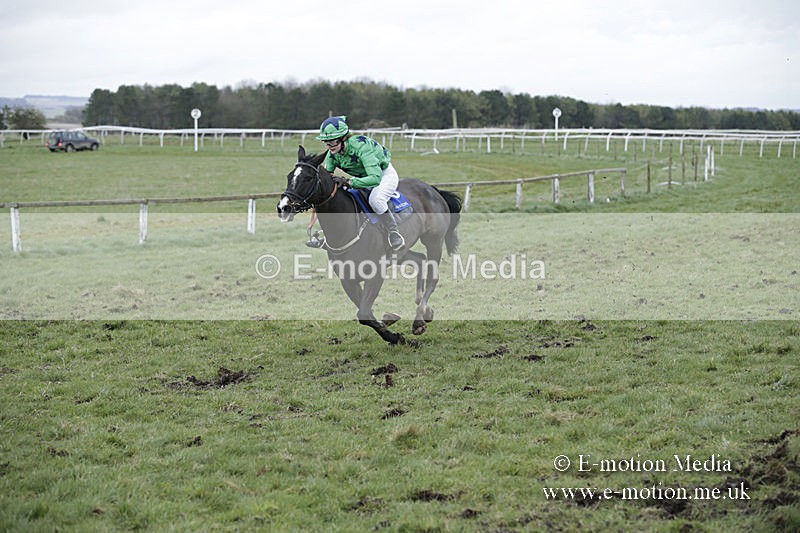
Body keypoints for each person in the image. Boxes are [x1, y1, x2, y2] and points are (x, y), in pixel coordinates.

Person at [316, 116, 405, 251]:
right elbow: (328, 177)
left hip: (383, 175)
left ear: (343, 138)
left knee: (376, 200)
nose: (329, 146)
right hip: (363, 178)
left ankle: (394, 233)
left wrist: (349, 181)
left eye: (332, 142)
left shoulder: (362, 147)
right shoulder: (332, 154)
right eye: (326, 142)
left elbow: (375, 179)